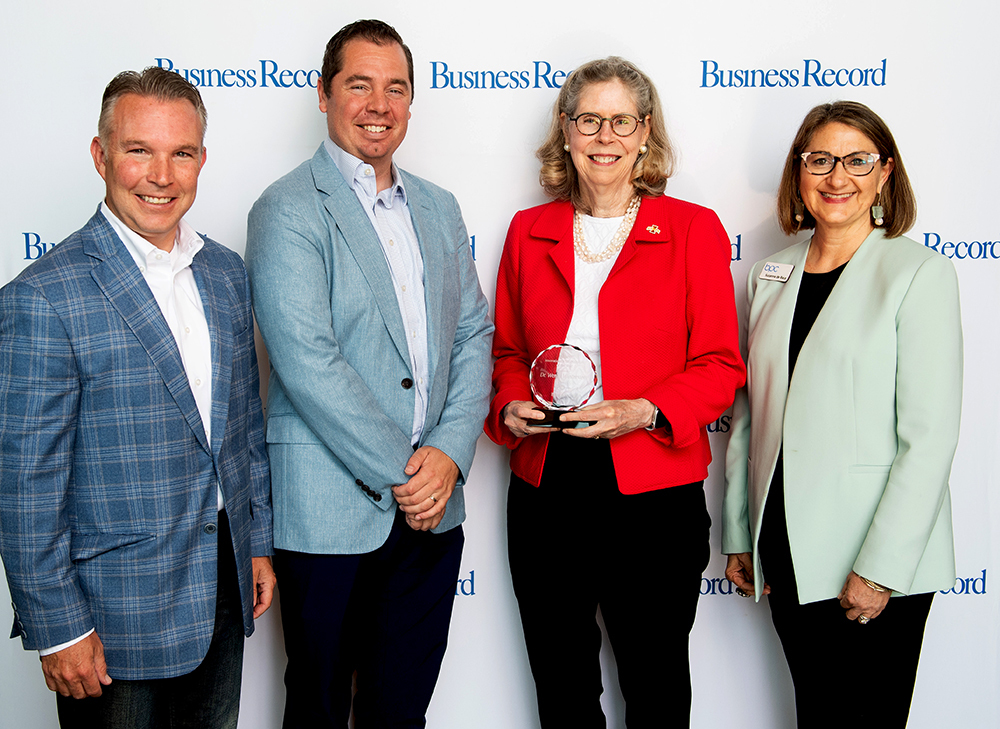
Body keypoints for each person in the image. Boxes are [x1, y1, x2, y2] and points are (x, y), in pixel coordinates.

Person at [0, 67, 274, 729]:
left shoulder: (225, 272)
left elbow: (241, 427)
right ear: (100, 156)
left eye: (181, 153)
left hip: (221, 587)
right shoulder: (43, 296)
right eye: (138, 150)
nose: (161, 175)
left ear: (202, 159)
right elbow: (24, 483)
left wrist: (256, 539)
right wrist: (57, 627)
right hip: (110, 613)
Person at [244, 18, 493, 729]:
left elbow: (474, 333)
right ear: (323, 94)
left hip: (433, 509)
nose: (378, 104)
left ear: (413, 102)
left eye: (396, 88)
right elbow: (306, 360)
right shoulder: (287, 208)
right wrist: (410, 472)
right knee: (319, 705)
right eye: (359, 84)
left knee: (400, 708)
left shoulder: (440, 207)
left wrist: (447, 456)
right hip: (329, 509)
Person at [485, 56, 745, 728]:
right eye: (589, 120)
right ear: (565, 131)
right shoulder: (527, 230)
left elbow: (720, 365)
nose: (604, 136)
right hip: (547, 484)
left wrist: (646, 409)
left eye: (620, 120)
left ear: (644, 131)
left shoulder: (692, 228)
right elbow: (508, 353)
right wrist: (511, 404)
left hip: (652, 488)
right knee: (562, 686)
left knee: (656, 687)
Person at [722, 101, 962, 727]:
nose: (837, 177)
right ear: (798, 173)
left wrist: (880, 569)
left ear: (885, 173)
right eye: (820, 160)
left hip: (873, 555)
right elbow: (751, 418)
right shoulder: (771, 274)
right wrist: (741, 530)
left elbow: (929, 439)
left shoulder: (918, 272)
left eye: (858, 161)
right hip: (787, 546)